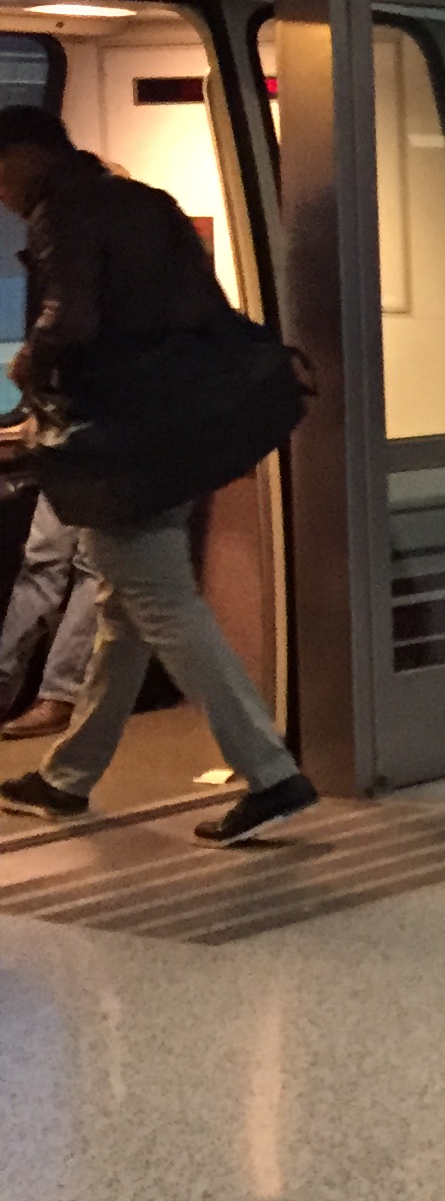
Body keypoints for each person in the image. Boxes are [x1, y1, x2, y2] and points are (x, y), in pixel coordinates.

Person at [0, 107, 315, 844]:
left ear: (25, 157)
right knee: (125, 606)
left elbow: (70, 321)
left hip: (122, 442)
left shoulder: (63, 209)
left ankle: (270, 773)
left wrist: (28, 372)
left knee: (163, 604)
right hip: (185, 430)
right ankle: (67, 778)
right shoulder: (144, 201)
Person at [0, 496, 101, 741]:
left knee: (94, 566)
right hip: (59, 460)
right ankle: (3, 683)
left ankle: (60, 693)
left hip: (116, 463)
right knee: (41, 561)